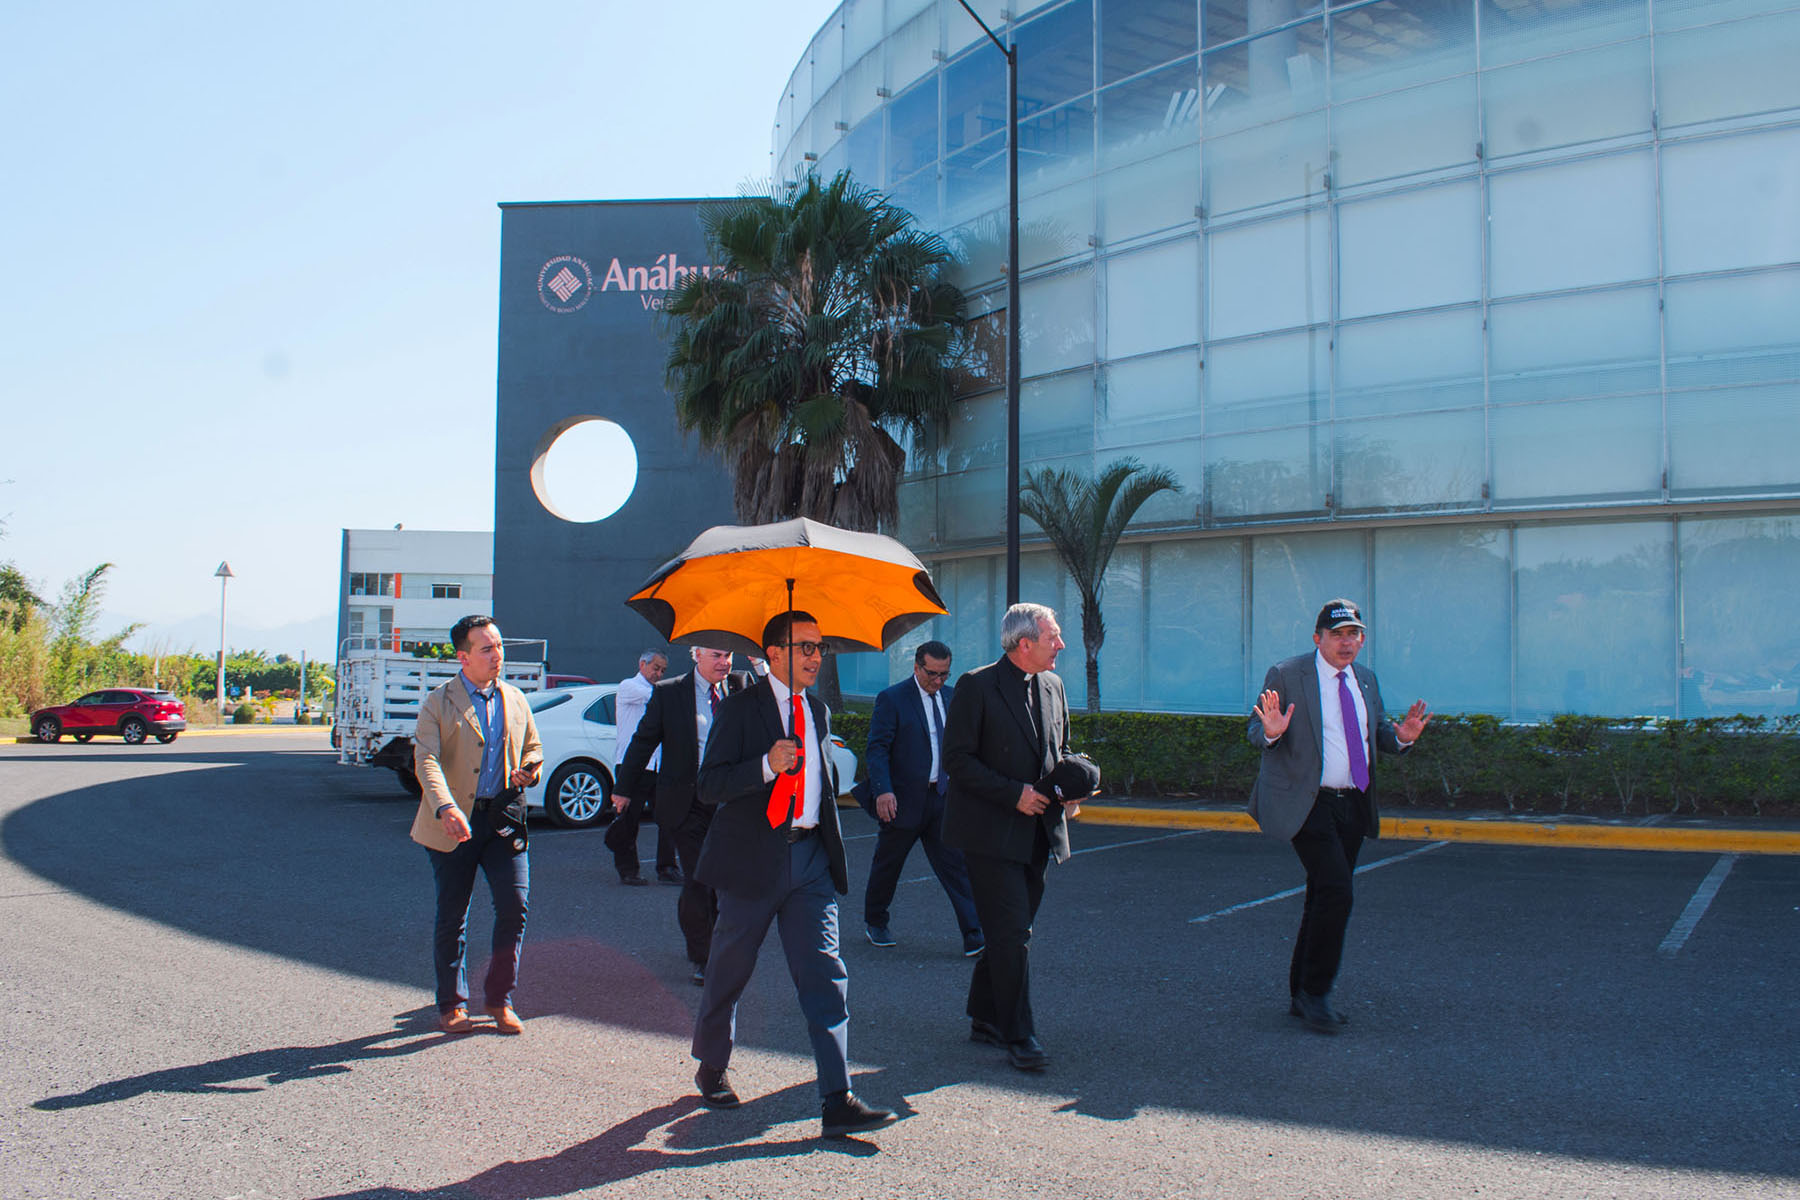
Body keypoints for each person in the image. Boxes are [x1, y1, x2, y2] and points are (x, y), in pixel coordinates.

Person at [689, 611, 896, 1139]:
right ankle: (711, 1066)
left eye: (818, 647)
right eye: (803, 646)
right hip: (752, 861)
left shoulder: (818, 711)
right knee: (729, 971)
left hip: (808, 862)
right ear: (773, 653)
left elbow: (821, 789)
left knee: (826, 975)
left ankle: (837, 1097)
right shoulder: (739, 709)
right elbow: (709, 786)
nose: (814, 656)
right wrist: (764, 765)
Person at [1247, 598, 1431, 1035]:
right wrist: (1271, 733)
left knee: (1323, 893)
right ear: (1318, 638)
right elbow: (1258, 728)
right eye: (1338, 635)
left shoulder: (1365, 678)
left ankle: (1300, 992)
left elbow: (1375, 732)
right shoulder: (1288, 674)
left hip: (1353, 802)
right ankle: (1317, 992)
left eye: (1354, 635)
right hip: (1307, 801)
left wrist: (1400, 739)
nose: (1347, 643)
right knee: (1337, 890)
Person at [941, 602, 1080, 1072]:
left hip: (1038, 833)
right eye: (1053, 637)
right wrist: (1012, 794)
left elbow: (1057, 750)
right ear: (1025, 644)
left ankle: (984, 1016)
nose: (1061, 644)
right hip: (990, 833)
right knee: (1014, 935)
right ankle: (1019, 1034)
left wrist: (1070, 788)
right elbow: (957, 762)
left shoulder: (1054, 685)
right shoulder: (976, 687)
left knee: (1007, 935)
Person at [410, 615, 544, 1035]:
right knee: (453, 914)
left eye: (499, 646)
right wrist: (445, 807)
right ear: (463, 656)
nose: (497, 655)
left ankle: (500, 1000)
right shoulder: (439, 701)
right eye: (486, 649)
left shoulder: (515, 698)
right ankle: (452, 1003)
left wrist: (530, 770)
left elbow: (534, 748)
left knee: (514, 906)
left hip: (502, 821)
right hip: (454, 824)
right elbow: (425, 759)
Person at [612, 645, 745, 986]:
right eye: (716, 655)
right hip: (688, 801)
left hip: (728, 802)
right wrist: (623, 787)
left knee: (726, 880)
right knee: (701, 877)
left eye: (728, 655)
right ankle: (704, 956)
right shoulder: (670, 692)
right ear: (696, 654)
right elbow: (643, 741)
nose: (724, 662)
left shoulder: (741, 688)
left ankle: (719, 946)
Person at [858, 640, 983, 956]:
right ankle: (875, 921)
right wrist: (882, 790)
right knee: (888, 865)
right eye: (932, 673)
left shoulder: (952, 697)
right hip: (902, 800)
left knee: (957, 867)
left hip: (942, 798)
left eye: (944, 674)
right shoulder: (893, 699)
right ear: (916, 667)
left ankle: (974, 933)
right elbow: (877, 748)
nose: (938, 680)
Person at [604, 650, 679, 886]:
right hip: (631, 765)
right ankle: (628, 869)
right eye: (656, 668)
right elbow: (658, 699)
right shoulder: (629, 686)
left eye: (663, 670)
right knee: (628, 820)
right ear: (642, 664)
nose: (659, 674)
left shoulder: (657, 692)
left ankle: (667, 867)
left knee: (668, 818)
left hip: (657, 764)